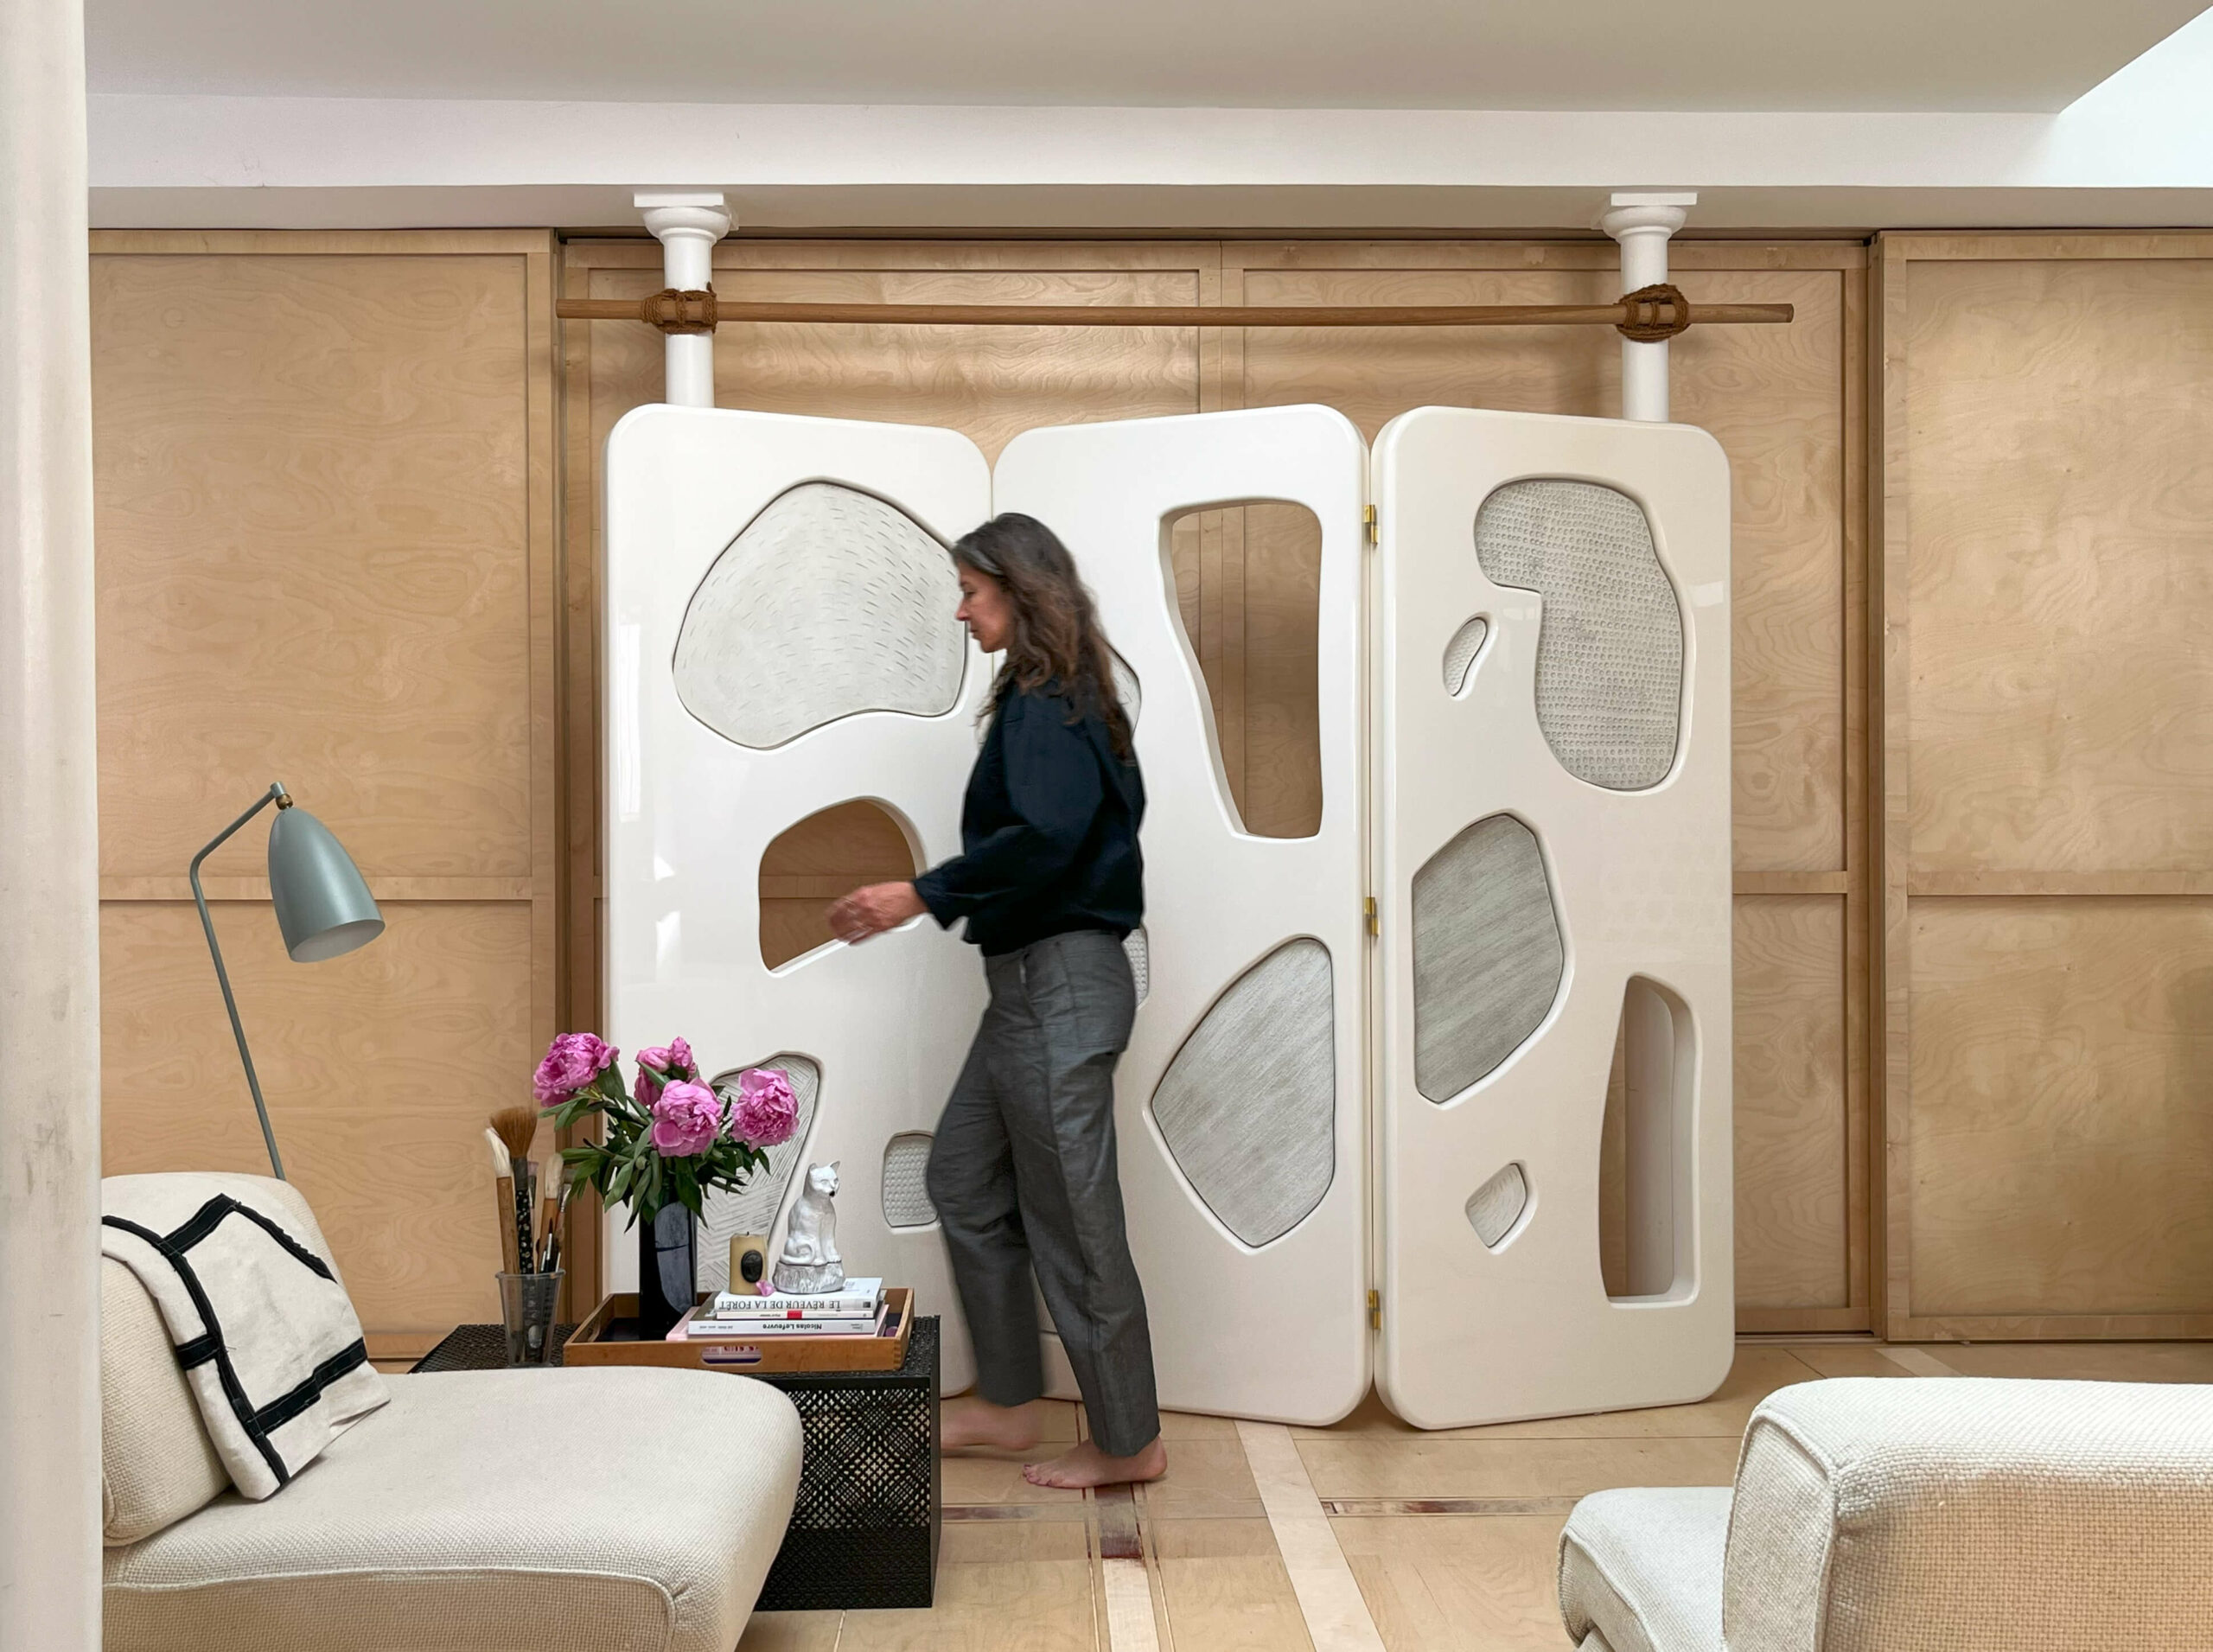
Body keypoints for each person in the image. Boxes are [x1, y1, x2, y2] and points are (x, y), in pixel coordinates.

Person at [828, 513, 1164, 1489]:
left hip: (1059, 986)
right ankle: (1012, 1403)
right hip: (1028, 986)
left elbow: (1047, 841)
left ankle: (1129, 1440)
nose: (961, 610)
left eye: (972, 591)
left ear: (1021, 590)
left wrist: (918, 893)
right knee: (965, 1179)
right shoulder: (1053, 696)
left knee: (1074, 1221)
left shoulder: (1049, 702)